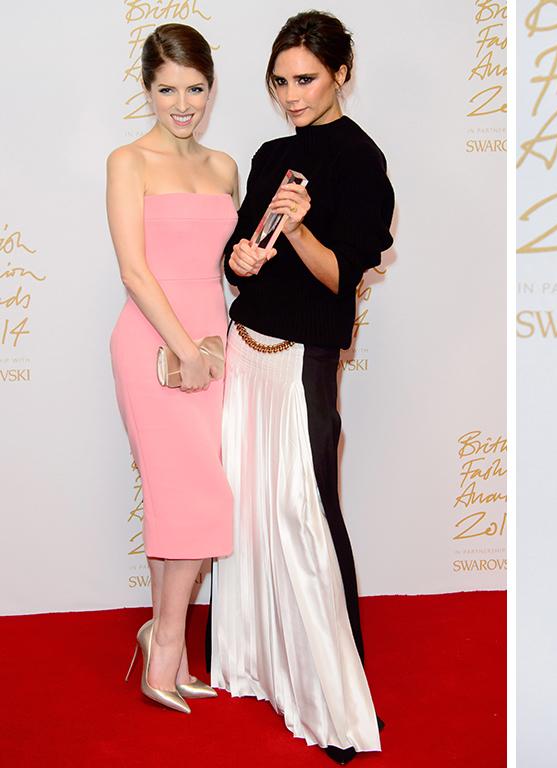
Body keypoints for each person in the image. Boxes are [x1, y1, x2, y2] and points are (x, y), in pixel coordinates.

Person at [210, 10, 394, 763]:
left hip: (301, 359)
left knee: (307, 512)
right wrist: (238, 262)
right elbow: (242, 251)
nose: (291, 95)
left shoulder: (361, 159)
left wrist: (306, 226)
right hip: (246, 346)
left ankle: (331, 689)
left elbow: (339, 279)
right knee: (248, 505)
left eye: (306, 79)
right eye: (280, 81)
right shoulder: (269, 152)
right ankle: (255, 660)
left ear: (341, 72)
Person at [109, 24, 237, 714]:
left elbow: (223, 267)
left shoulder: (224, 168)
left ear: (211, 87)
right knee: (191, 497)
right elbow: (133, 269)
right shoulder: (128, 161)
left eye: (194, 89)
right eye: (168, 90)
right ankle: (165, 651)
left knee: (183, 500)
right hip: (153, 347)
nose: (182, 104)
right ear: (148, 90)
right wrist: (185, 347)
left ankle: (164, 636)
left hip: (215, 348)